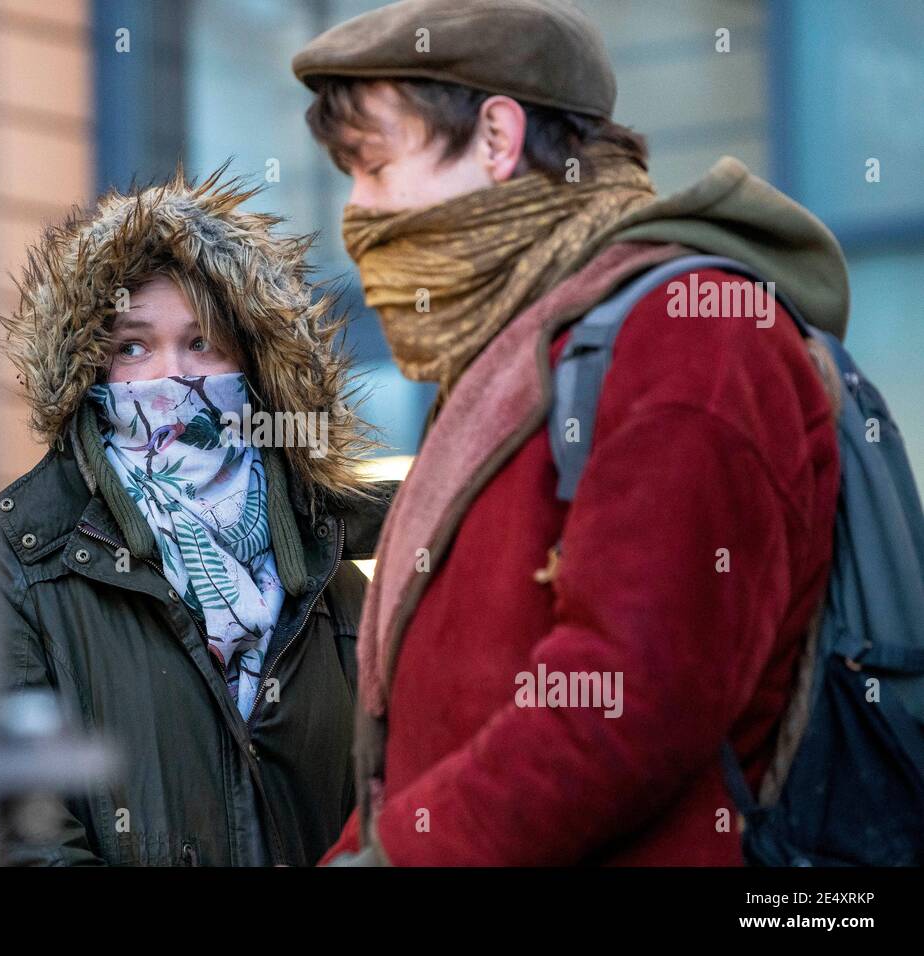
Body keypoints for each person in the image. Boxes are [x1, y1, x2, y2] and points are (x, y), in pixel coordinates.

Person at [292, 0, 848, 864]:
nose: (356, 213)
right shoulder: (519, 353)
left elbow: (627, 699)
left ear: (496, 138)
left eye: (372, 166)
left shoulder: (693, 332)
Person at [0, 166, 392, 866]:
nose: (173, 378)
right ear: (91, 372)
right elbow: (13, 843)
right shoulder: (14, 559)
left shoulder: (327, 570)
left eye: (203, 343)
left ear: (256, 367)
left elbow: (390, 811)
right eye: (133, 347)